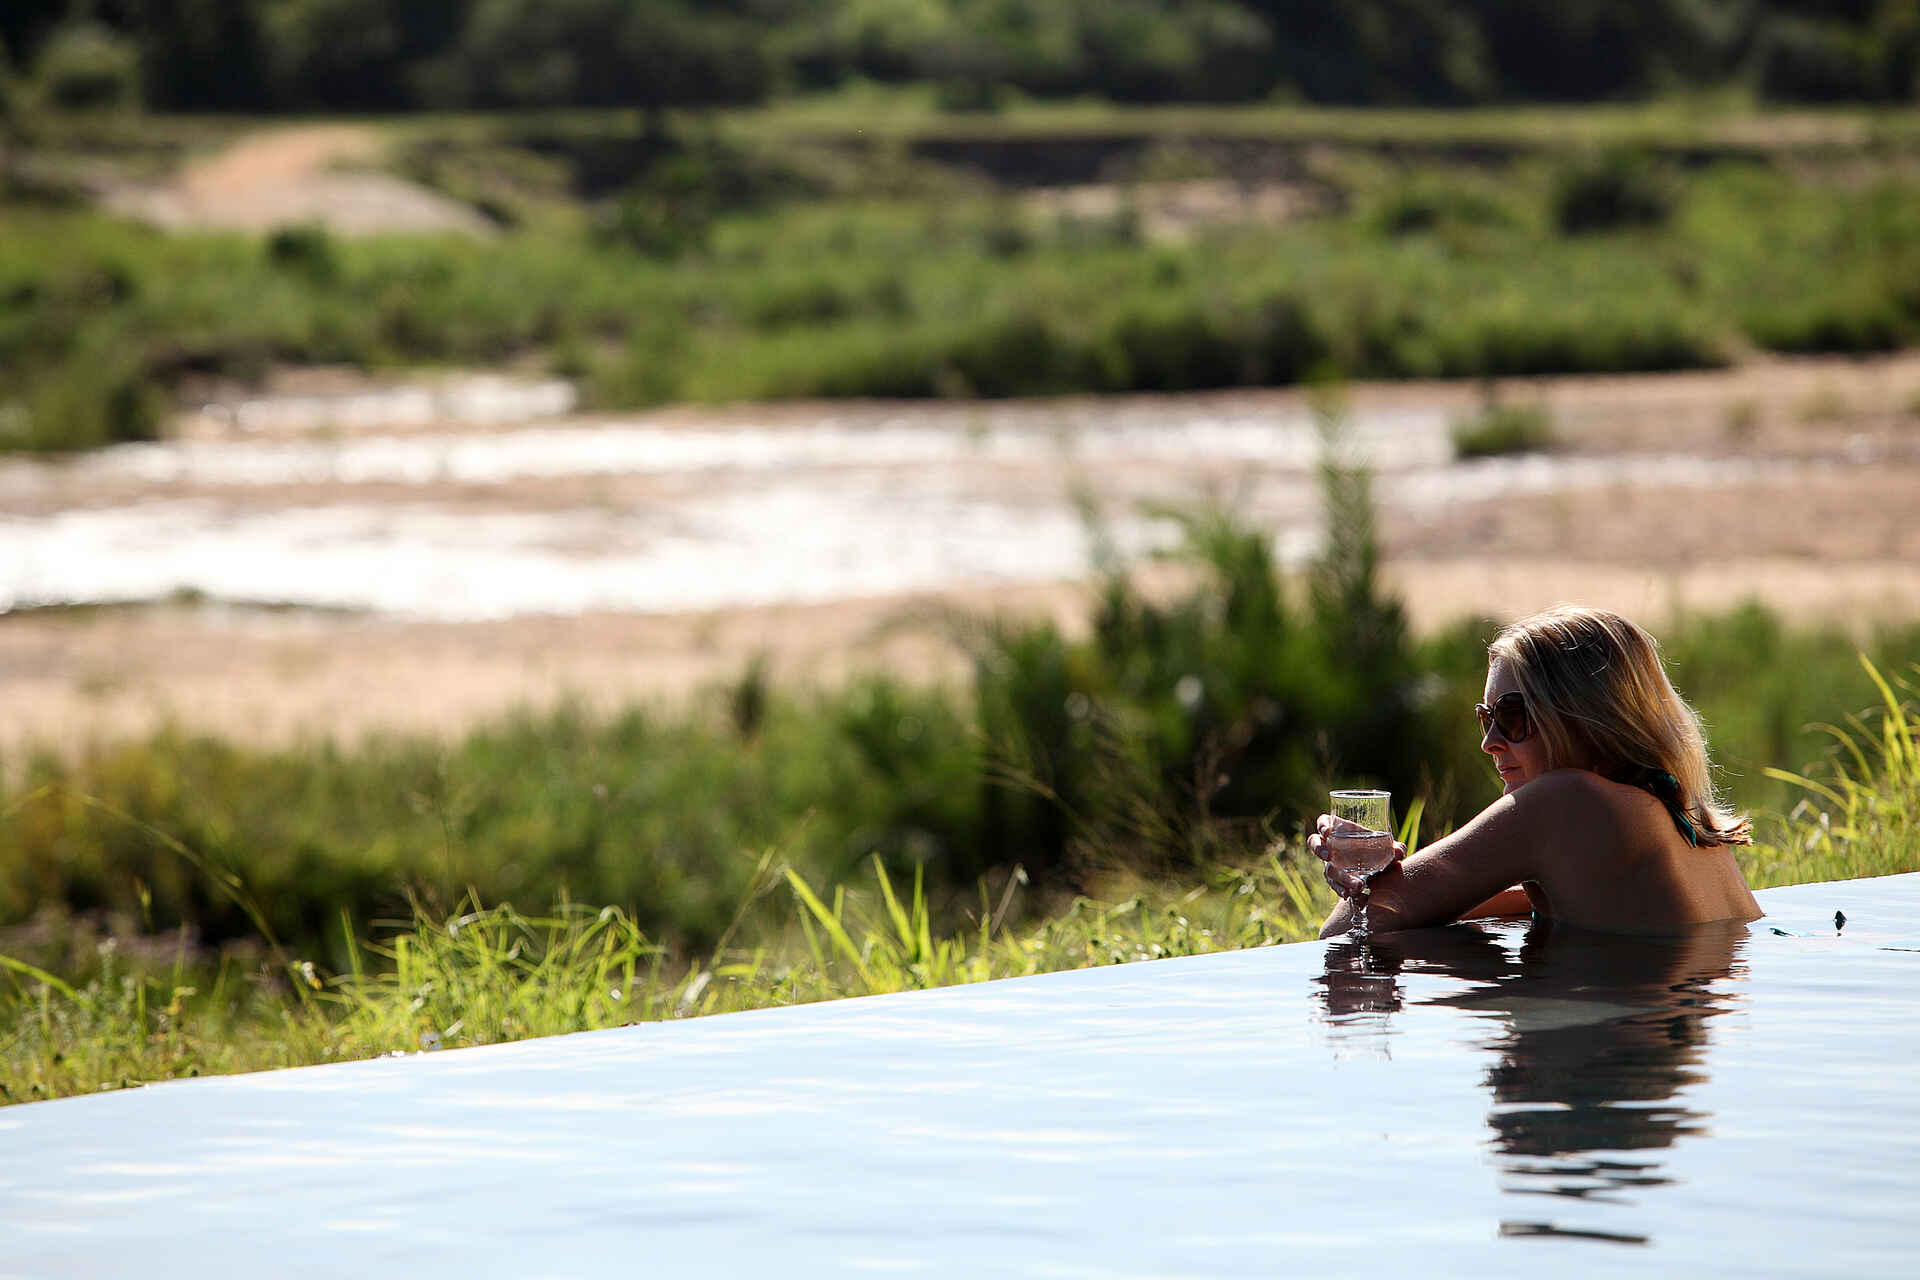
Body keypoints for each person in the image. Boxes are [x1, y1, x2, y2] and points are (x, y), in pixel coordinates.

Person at [1313, 604, 1761, 938]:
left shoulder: (1565, 799)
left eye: (1512, 716)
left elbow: (1349, 928)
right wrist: (1422, 890)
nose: (1490, 742)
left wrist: (1369, 884)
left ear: (1585, 719)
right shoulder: (1681, 817)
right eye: (1486, 718)